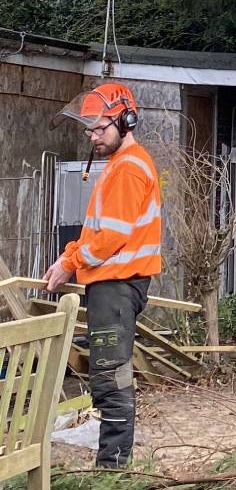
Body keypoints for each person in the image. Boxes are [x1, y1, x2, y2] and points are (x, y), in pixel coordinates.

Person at [43, 81, 163, 468]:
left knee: (111, 377)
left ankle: (113, 468)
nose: (93, 137)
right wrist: (69, 256)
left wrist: (70, 263)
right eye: (89, 130)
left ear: (126, 122)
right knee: (108, 374)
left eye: (99, 128)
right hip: (111, 283)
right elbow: (96, 232)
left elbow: (110, 238)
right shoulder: (119, 166)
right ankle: (112, 463)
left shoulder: (128, 169)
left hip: (117, 284)